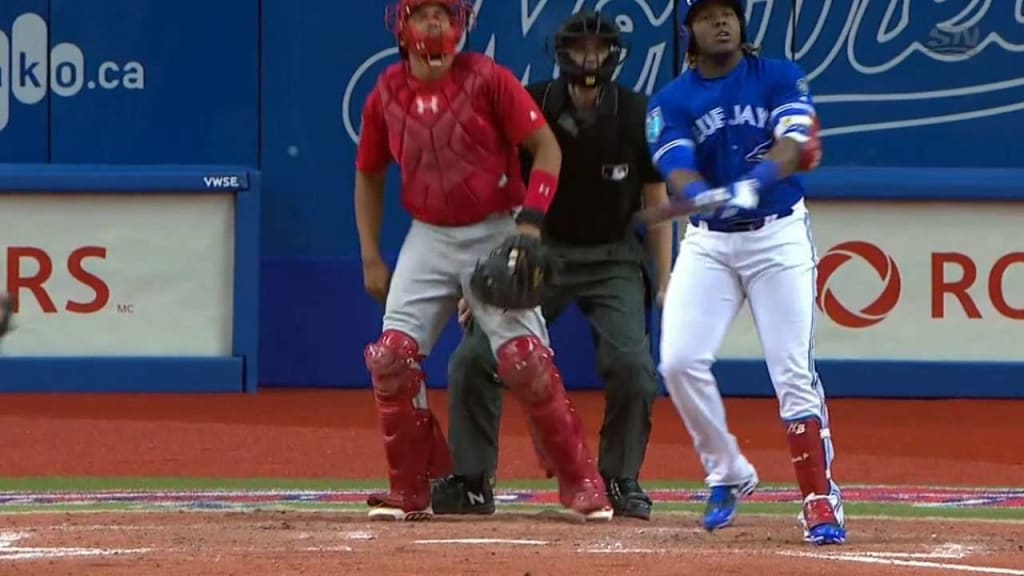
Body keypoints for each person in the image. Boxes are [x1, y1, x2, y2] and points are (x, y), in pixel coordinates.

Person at [353, 0, 613, 522]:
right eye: (422, 13)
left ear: (461, 26)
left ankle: (582, 481)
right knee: (392, 357)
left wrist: (528, 225)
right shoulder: (385, 91)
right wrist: (370, 255)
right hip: (427, 234)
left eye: (445, 15)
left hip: (495, 225)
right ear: (401, 26)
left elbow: (547, 150)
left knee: (524, 359)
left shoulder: (488, 79)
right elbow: (369, 173)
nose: (434, 24)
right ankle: (410, 489)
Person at [430, 10, 671, 521]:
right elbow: (497, 195)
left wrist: (667, 279)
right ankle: (473, 480)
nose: (589, 57)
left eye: (599, 48)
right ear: (561, 55)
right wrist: (479, 279)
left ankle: (618, 478)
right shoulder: (532, 102)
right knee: (472, 359)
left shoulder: (636, 112)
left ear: (613, 55)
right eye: (579, 48)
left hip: (612, 255)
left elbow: (655, 200)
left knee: (633, 366)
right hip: (538, 252)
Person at [642, 0, 846, 544]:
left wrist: (753, 182)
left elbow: (794, 144)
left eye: (728, 12)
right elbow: (677, 167)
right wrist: (700, 194)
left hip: (776, 235)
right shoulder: (672, 99)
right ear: (688, 30)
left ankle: (819, 499)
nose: (722, 22)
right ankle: (727, 470)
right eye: (707, 15)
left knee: (791, 372)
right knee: (679, 361)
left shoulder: (780, 75)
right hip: (709, 244)